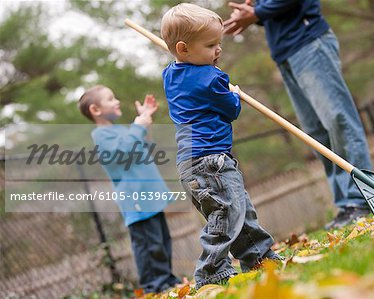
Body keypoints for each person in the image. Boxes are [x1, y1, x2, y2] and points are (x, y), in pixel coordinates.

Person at [160, 3, 281, 290]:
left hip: (190, 163)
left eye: (219, 43)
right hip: (211, 160)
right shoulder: (213, 79)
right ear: (183, 49)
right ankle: (211, 272)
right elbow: (231, 110)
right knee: (225, 216)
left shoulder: (169, 75)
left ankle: (260, 258)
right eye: (211, 44)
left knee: (239, 210)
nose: (218, 51)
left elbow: (185, 73)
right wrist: (234, 95)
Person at [224, 0, 374, 229]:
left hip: (309, 43)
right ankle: (347, 205)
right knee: (317, 133)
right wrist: (254, 13)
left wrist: (257, 12)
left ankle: (361, 198)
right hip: (286, 53)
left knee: (338, 120)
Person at [78, 85, 181, 294]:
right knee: (149, 244)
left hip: (149, 196)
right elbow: (122, 151)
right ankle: (155, 287)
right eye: (110, 98)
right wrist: (137, 125)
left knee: (161, 240)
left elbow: (142, 144)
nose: (116, 101)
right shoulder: (101, 135)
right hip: (137, 199)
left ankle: (168, 280)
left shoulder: (120, 130)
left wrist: (144, 121)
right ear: (96, 110)